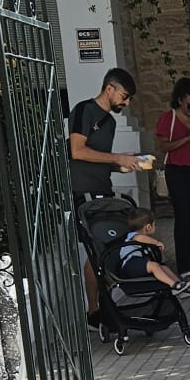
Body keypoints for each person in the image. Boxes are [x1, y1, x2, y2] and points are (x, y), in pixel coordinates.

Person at [68, 68, 143, 321]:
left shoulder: (110, 122)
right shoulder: (84, 110)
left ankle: (105, 304)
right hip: (84, 191)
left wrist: (123, 165)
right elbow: (78, 151)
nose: (126, 103)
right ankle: (94, 310)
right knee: (97, 251)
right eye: (124, 96)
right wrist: (116, 158)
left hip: (103, 190)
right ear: (109, 88)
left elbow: (100, 159)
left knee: (110, 248)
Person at [155, 77, 190, 279]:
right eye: (189, 105)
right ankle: (183, 264)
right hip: (177, 170)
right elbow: (164, 146)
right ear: (179, 100)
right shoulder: (168, 118)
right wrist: (188, 137)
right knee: (182, 216)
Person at [115, 206, 190, 298]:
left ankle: (180, 286)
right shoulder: (134, 235)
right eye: (154, 225)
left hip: (139, 264)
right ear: (148, 227)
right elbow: (140, 238)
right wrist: (156, 243)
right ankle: (174, 285)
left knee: (164, 267)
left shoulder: (143, 238)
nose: (155, 227)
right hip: (130, 265)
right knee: (154, 266)